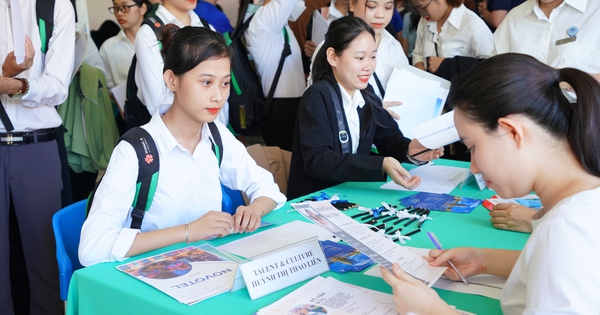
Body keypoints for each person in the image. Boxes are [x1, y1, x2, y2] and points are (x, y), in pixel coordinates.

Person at [381, 53, 600, 314]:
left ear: (512, 132)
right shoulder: (578, 205)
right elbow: (558, 265)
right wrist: (484, 260)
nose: (473, 168)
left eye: (472, 147)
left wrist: (434, 311)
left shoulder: (565, 230)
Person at [79, 26, 286, 267]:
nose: (218, 96)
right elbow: (91, 248)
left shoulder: (217, 135)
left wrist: (255, 210)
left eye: (225, 83)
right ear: (171, 80)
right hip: (149, 277)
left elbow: (268, 189)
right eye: (206, 82)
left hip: (206, 268)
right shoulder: (135, 150)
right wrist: (188, 231)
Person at [288, 16, 443, 199]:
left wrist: (413, 149)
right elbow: (318, 160)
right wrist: (380, 164)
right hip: (316, 200)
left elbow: (388, 138)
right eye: (360, 58)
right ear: (333, 57)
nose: (368, 66)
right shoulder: (317, 96)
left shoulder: (366, 93)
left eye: (373, 57)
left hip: (352, 194)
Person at [490, 0, 600, 232]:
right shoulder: (516, 18)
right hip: (529, 154)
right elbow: (495, 81)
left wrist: (537, 219)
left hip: (589, 147)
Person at [0, 0, 75, 313]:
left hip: (36, 147)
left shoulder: (54, 6)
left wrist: (15, 84)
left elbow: (58, 86)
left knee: (45, 260)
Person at [309, 0, 410, 120]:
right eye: (372, 6)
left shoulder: (394, 45)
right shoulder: (332, 47)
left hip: (393, 133)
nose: (380, 15)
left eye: (388, 7)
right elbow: (316, 103)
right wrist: (372, 109)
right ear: (352, 4)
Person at [134, 0, 228, 126]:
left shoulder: (206, 27)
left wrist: (216, 132)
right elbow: (158, 102)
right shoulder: (148, 33)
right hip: (171, 133)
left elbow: (220, 91)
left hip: (210, 132)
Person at [235, 0, 307, 151]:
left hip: (288, 105)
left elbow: (296, 9)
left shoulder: (273, 22)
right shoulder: (262, 20)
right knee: (287, 165)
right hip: (281, 109)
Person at [411, 0, 493, 74]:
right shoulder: (424, 21)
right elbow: (418, 53)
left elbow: (490, 68)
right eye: (417, 9)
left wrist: (447, 66)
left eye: (422, 7)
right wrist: (420, 69)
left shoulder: (474, 26)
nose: (421, 13)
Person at [99, 0, 150, 89]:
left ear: (142, 8)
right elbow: (106, 87)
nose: (119, 13)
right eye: (116, 8)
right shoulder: (108, 48)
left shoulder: (158, 40)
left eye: (125, 7)